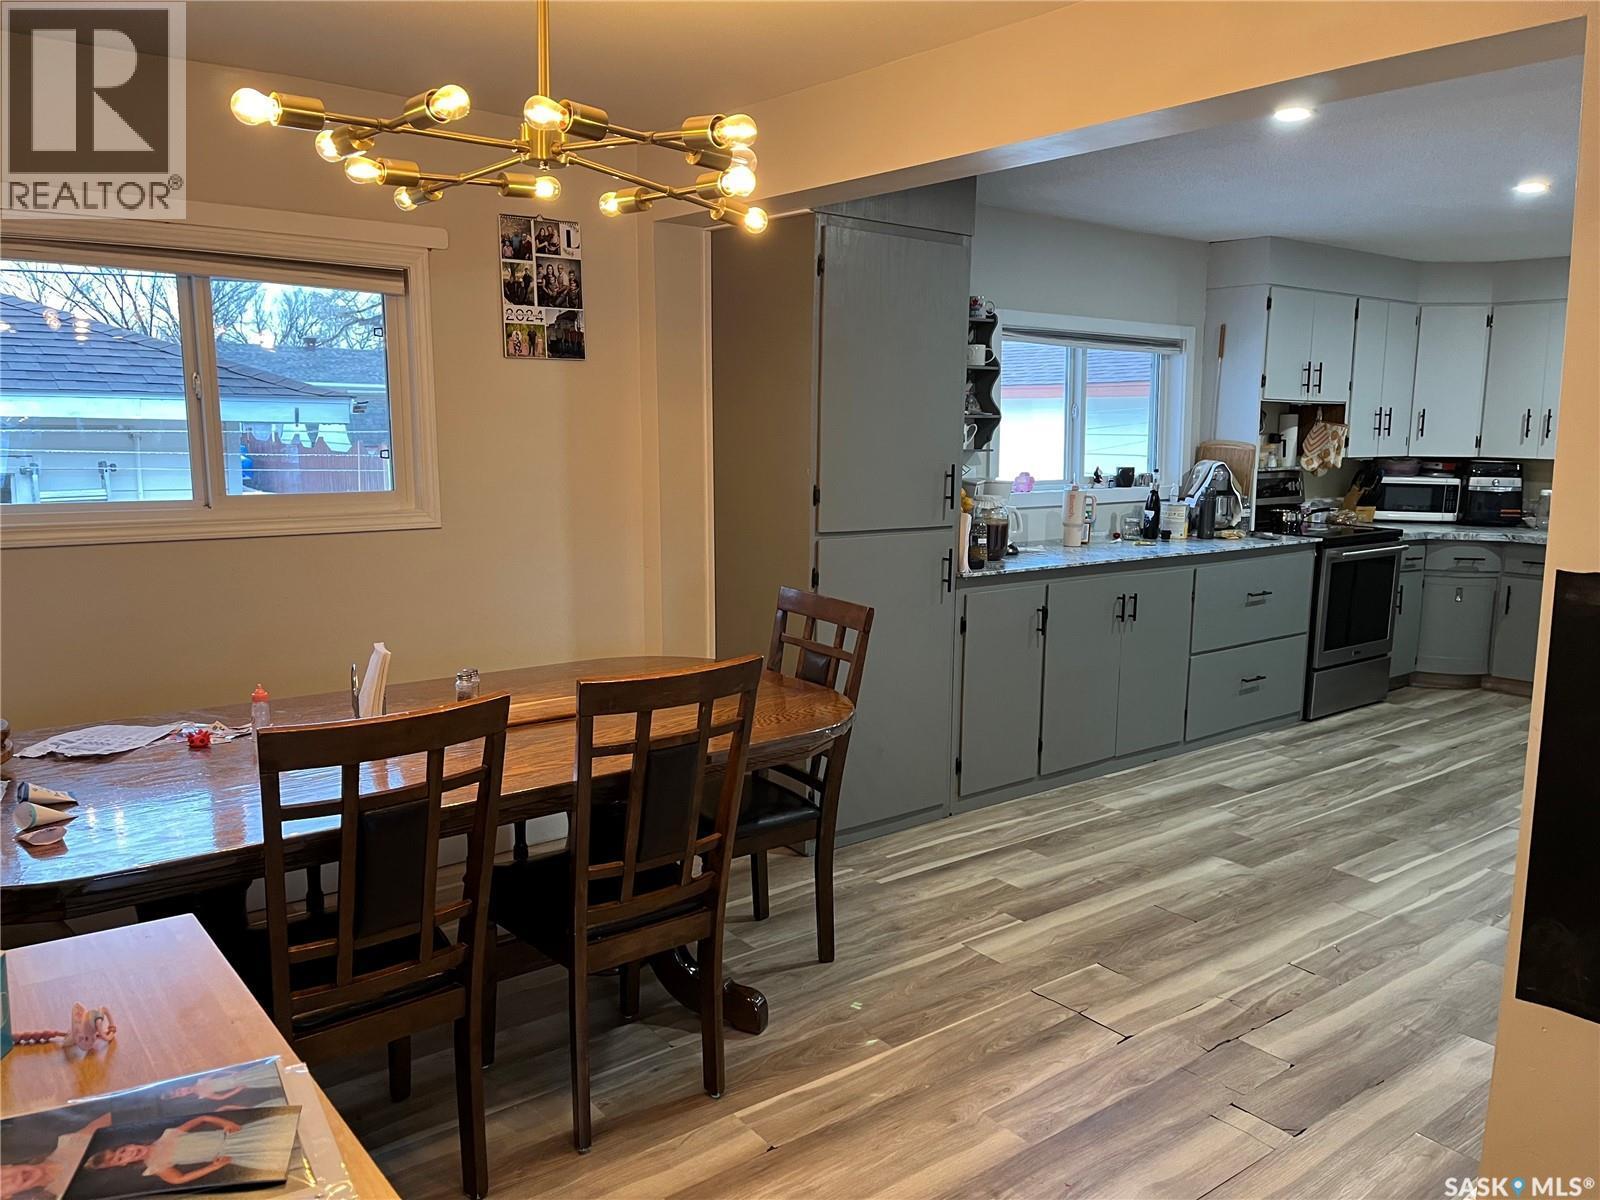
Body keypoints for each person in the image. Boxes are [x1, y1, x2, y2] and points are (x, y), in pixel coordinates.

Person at [79, 1111, 297, 1188]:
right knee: (282, 1155)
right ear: (124, 1164)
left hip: (233, 1135)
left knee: (284, 1133)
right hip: (231, 1153)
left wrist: (223, 1123)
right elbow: (179, 1180)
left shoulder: (167, 1136)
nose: (128, 1153)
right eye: (120, 1158)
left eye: (123, 1149)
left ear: (129, 1144)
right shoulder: (155, 1166)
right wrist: (212, 1167)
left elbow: (200, 1119)